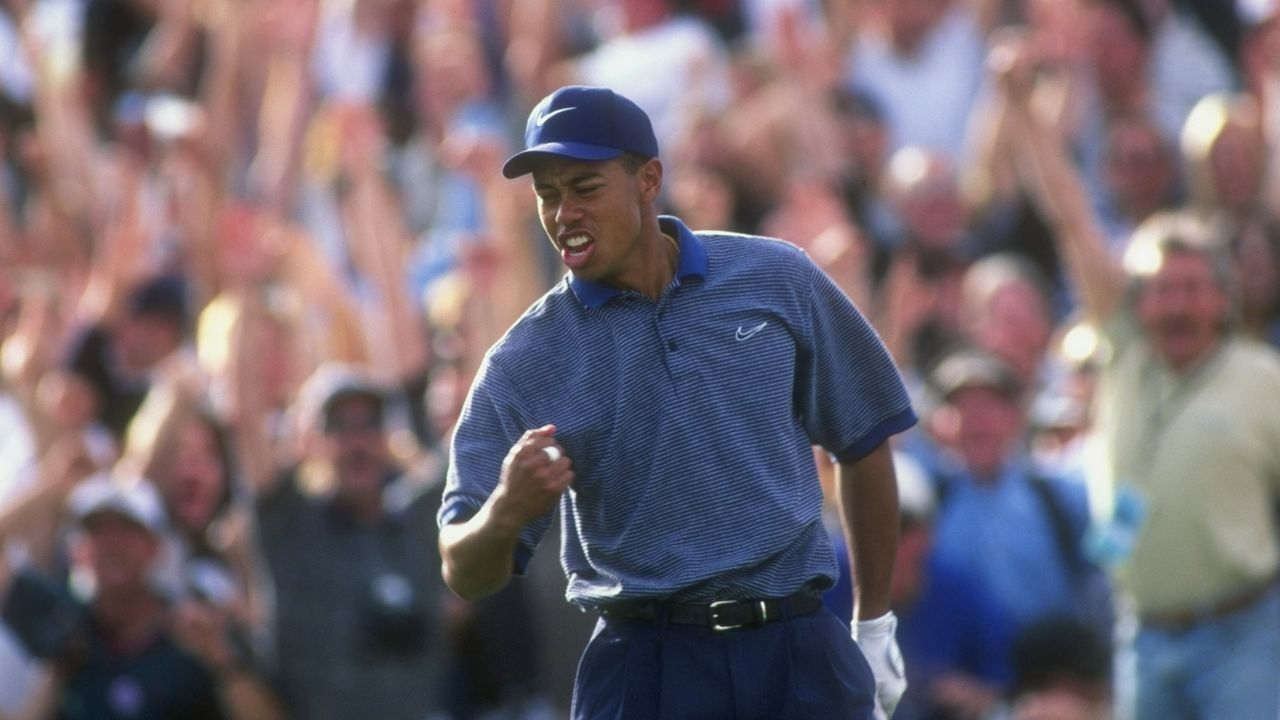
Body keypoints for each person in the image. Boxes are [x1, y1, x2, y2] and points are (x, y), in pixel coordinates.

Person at [437, 85, 917, 720]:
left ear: (648, 179)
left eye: (584, 188)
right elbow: (461, 566)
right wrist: (503, 514)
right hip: (648, 667)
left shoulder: (776, 276)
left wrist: (874, 624)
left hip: (798, 650)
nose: (562, 214)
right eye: (547, 194)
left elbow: (861, 437)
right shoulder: (524, 360)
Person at [1000, 34, 1280, 720]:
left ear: (1222, 298)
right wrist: (1021, 108)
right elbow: (1068, 211)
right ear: (1136, 299)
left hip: (1243, 634)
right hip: (1143, 636)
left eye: (1191, 288)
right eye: (1159, 288)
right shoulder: (1124, 346)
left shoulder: (1262, 375)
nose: (1175, 303)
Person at [0, 472, 284, 720]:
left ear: (155, 547)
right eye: (97, 531)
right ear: (77, 551)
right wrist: (51, 484)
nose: (113, 545)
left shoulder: (196, 629)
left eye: (127, 530)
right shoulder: (62, 621)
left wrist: (223, 663)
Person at [255, 363, 450, 720]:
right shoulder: (291, 528)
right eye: (339, 428)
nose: (357, 442)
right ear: (312, 441)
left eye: (370, 425)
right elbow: (246, 419)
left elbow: (470, 439)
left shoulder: (420, 522)